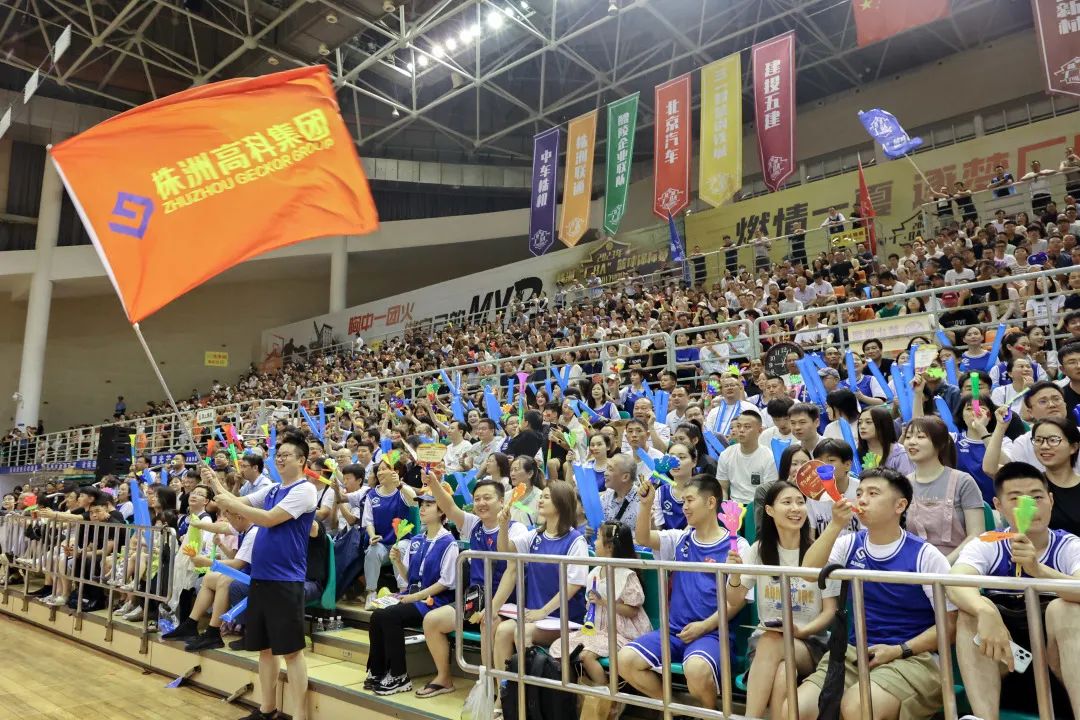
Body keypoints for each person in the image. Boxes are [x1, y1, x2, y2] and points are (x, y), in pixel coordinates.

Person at [789, 467, 955, 720]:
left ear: (900, 505)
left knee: (858, 707)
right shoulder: (849, 543)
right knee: (795, 709)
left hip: (913, 657)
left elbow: (950, 625)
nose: (862, 500)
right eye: (859, 493)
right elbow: (809, 573)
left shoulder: (926, 555)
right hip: (853, 653)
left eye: (873, 493)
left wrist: (899, 650)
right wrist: (835, 525)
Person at [949, 461, 1080, 719]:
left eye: (1037, 497)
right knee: (971, 613)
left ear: (1051, 500)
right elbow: (955, 580)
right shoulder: (989, 543)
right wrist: (984, 611)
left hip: (1060, 661)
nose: (1029, 505)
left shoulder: (1068, 545)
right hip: (1005, 658)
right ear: (998, 506)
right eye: (1016, 498)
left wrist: (1038, 570)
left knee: (1064, 608)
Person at [204, 431, 318, 720]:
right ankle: (267, 709)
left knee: (291, 652)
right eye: (278, 455)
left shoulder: (305, 490)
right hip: (261, 578)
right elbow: (235, 501)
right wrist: (215, 482)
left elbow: (268, 519)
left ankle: (300, 715)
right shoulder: (272, 490)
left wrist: (231, 504)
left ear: (302, 460)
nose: (280, 459)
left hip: (285, 580)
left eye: (286, 455)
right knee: (265, 650)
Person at [619, 475, 750, 713]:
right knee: (625, 660)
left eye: (690, 500)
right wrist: (646, 505)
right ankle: (679, 711)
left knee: (696, 670)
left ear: (711, 502)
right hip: (674, 631)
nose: (684, 507)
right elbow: (643, 538)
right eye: (683, 501)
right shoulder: (680, 539)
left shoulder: (737, 546)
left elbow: (737, 602)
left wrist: (704, 626)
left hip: (714, 634)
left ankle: (709, 714)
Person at [729, 481, 838, 720]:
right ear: (769, 510)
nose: (795, 508)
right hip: (764, 643)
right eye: (787, 502)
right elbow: (734, 599)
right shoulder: (758, 550)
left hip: (810, 642)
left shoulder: (820, 552)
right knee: (782, 673)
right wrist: (734, 575)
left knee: (773, 642)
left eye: (800, 502)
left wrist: (801, 631)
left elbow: (830, 611)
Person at [420, 473, 528, 698]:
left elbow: (513, 573)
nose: (481, 503)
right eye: (477, 499)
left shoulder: (517, 529)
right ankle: (444, 678)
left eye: (487, 498)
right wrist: (433, 483)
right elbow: (449, 507)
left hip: (508, 601)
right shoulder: (473, 525)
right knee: (432, 621)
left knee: (489, 623)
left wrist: (492, 608)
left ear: (502, 501)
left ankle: (497, 691)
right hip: (476, 600)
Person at [364, 485, 459, 696]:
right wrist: (398, 562)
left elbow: (446, 582)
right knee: (377, 615)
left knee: (390, 616)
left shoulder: (449, 542)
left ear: (442, 511)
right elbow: (410, 578)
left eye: (429, 505)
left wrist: (412, 597)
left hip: (435, 601)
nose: (422, 509)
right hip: (414, 597)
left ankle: (399, 675)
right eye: (421, 504)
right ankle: (378, 671)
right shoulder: (417, 540)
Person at [493, 482, 589, 681]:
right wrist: (503, 525)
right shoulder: (535, 535)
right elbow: (504, 550)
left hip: (564, 619)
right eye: (541, 496)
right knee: (502, 630)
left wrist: (543, 611)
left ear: (561, 503)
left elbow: (573, 585)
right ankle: (506, 692)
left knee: (522, 632)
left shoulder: (576, 540)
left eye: (547, 497)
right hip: (536, 617)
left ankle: (530, 693)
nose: (540, 500)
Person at [548, 521, 651, 703]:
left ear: (609, 546)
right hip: (598, 629)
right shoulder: (595, 571)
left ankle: (608, 699)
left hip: (623, 633)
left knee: (586, 656)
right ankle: (573, 698)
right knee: (561, 647)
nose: (594, 543)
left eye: (598, 538)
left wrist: (605, 602)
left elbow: (632, 611)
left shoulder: (626, 574)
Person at [162, 507, 258, 651]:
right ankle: (190, 624)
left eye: (229, 519)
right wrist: (198, 524)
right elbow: (221, 527)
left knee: (225, 580)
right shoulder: (244, 526)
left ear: (239, 517)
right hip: (247, 575)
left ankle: (213, 632)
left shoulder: (253, 533)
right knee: (209, 578)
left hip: (259, 578)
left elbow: (237, 564)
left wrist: (206, 562)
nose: (228, 524)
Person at [903, 416, 985, 561]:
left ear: (940, 444)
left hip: (959, 564)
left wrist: (943, 565)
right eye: (908, 437)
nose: (912, 442)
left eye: (920, 437)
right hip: (915, 564)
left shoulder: (963, 481)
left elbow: (976, 534)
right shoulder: (903, 484)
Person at [361, 451, 418, 608]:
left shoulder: (402, 491)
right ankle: (371, 593)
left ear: (395, 471)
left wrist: (400, 485)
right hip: (382, 543)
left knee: (398, 549)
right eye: (378, 470)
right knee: (372, 551)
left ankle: (403, 591)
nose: (379, 473)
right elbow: (368, 521)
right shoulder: (372, 495)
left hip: (402, 540)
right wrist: (372, 535)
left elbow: (414, 501)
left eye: (383, 469)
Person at [715, 410, 778, 503]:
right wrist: (725, 506)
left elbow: (769, 492)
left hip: (758, 504)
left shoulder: (769, 457)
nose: (741, 430)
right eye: (738, 426)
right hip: (733, 505)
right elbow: (722, 487)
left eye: (747, 427)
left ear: (760, 431)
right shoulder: (726, 454)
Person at [856, 406, 913, 475]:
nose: (862, 426)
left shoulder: (900, 454)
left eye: (868, 422)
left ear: (883, 425)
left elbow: (907, 480)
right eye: (860, 423)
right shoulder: (856, 455)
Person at [652, 443, 696, 531]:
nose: (675, 462)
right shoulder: (660, 492)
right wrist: (650, 520)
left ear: (694, 462)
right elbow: (657, 531)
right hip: (666, 539)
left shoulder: (702, 491)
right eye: (671, 458)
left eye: (682, 457)